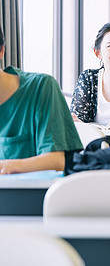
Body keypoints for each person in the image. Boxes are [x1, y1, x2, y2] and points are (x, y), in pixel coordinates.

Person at [0, 26, 83, 174]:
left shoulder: (41, 87)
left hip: (31, 194)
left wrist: (8, 166)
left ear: (1, 51)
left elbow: (56, 161)